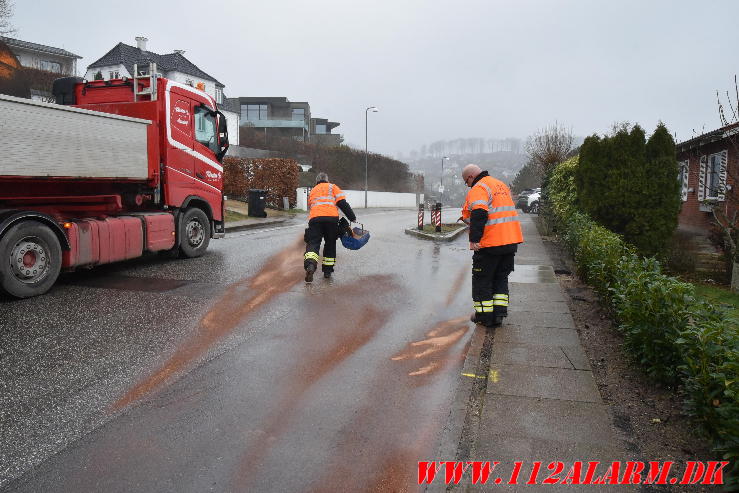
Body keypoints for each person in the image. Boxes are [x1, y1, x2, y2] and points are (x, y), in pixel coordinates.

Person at [460, 164, 523, 327]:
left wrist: (474, 239)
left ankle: (484, 316)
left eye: (466, 182)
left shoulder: (479, 188)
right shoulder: (500, 185)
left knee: (482, 280)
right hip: (510, 241)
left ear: (470, 177)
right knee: (500, 278)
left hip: (490, 244)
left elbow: (480, 213)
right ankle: (498, 315)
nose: (468, 185)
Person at [304, 172, 357, 282]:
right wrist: (352, 217)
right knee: (330, 243)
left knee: (313, 243)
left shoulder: (313, 190)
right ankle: (327, 272)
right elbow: (342, 203)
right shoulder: (333, 187)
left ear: (316, 181)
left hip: (315, 219)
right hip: (331, 220)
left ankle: (310, 265)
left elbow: (310, 206)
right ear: (327, 179)